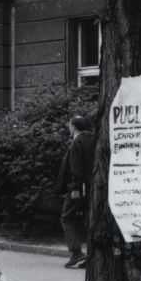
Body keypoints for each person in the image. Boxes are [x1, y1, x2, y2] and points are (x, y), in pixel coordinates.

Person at [58, 115, 95, 269]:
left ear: (74, 127)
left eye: (69, 125)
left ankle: (76, 251)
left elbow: (76, 170)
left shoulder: (76, 143)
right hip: (93, 186)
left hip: (79, 188)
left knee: (67, 217)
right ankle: (91, 256)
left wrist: (75, 189)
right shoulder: (93, 140)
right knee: (89, 221)